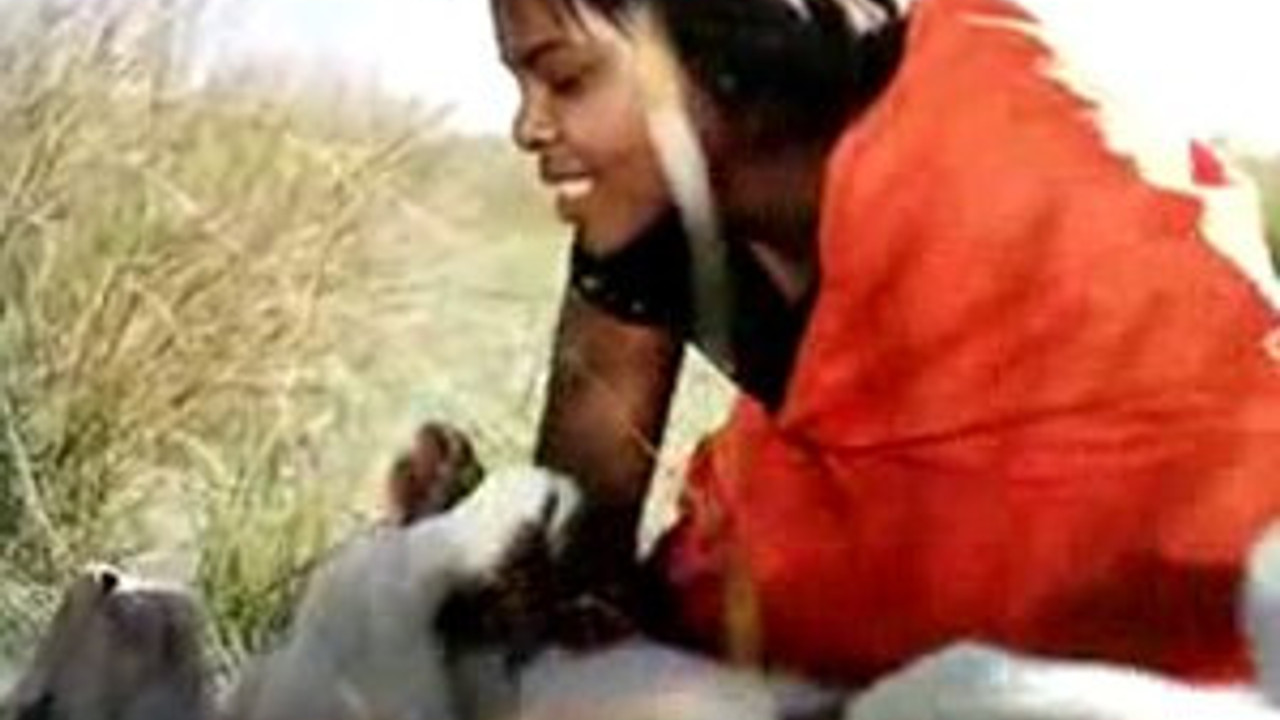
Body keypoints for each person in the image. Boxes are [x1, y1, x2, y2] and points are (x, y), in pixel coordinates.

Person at [490, 0, 1280, 687]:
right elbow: (573, 571)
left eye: (567, 80)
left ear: (721, 42)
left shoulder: (1016, 164)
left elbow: (1183, 487)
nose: (527, 127)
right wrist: (473, 566)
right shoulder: (653, 206)